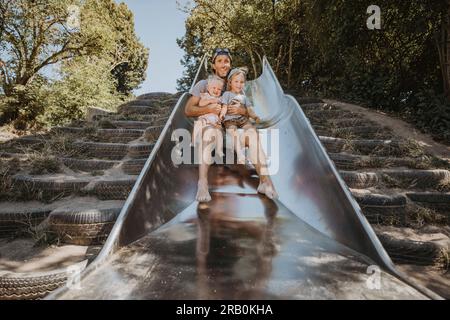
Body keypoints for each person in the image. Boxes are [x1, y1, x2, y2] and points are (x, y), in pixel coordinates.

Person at [185, 49, 248, 202]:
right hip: (210, 126)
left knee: (252, 134)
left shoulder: (235, 85)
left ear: (230, 64)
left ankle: (265, 182)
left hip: (230, 128)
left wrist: (242, 110)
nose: (223, 64)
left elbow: (247, 111)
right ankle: (203, 183)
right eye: (219, 61)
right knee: (209, 134)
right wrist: (209, 108)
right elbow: (188, 109)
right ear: (213, 65)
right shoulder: (204, 85)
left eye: (226, 61)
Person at [220, 67, 260, 163]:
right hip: (230, 120)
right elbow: (224, 106)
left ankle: (254, 153)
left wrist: (255, 116)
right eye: (236, 81)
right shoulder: (227, 94)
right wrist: (222, 114)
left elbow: (249, 109)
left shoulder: (244, 97)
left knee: (252, 130)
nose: (239, 84)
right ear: (230, 82)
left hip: (243, 119)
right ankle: (240, 153)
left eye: (241, 82)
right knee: (233, 132)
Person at [192, 75, 226, 158]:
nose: (216, 90)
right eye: (214, 88)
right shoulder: (205, 96)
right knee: (198, 124)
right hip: (205, 118)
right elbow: (200, 104)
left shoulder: (220, 99)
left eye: (219, 89)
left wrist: (222, 114)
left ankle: (219, 150)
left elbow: (224, 107)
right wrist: (210, 100)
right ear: (208, 87)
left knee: (219, 132)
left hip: (215, 120)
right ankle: (193, 142)